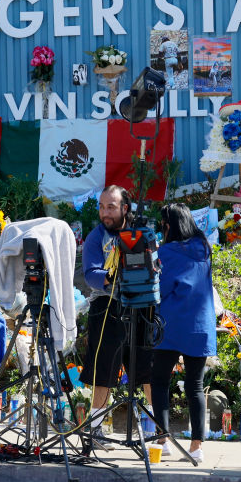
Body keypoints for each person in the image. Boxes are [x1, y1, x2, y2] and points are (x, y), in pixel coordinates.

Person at [80, 185, 152, 449]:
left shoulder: (140, 233)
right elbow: (90, 274)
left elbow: (155, 264)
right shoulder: (95, 238)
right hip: (106, 306)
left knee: (147, 370)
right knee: (104, 371)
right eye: (101, 206)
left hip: (140, 305)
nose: (105, 212)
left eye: (110, 207)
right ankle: (96, 430)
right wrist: (112, 276)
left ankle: (157, 434)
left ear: (125, 208)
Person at [150, 203, 216, 463]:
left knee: (159, 381)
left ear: (168, 225)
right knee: (195, 386)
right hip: (200, 326)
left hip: (172, 325)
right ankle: (197, 447)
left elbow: (161, 289)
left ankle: (162, 439)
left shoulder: (167, 252)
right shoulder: (204, 249)